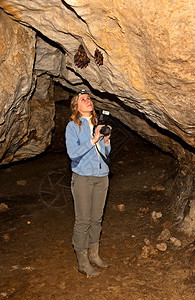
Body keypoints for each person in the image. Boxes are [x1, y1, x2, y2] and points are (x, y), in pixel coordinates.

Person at [65, 89, 111, 277]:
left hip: (102, 177)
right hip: (83, 177)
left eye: (89, 98)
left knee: (96, 219)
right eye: (83, 99)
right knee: (83, 220)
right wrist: (93, 139)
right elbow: (73, 153)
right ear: (76, 106)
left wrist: (106, 140)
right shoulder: (72, 126)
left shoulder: (98, 123)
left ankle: (94, 255)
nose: (88, 101)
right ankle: (83, 261)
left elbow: (105, 154)